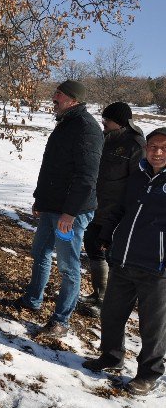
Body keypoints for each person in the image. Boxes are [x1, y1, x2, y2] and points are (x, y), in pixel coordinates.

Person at [11, 80, 103, 338]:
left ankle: (61, 321)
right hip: (53, 207)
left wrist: (70, 213)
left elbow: (87, 177)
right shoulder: (66, 124)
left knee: (67, 266)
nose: (54, 98)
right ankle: (33, 299)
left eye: (58, 95)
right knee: (40, 252)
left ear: (72, 99)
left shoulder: (87, 129)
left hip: (70, 213)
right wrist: (41, 200)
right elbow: (51, 168)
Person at [82, 127, 166, 396]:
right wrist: (106, 234)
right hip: (124, 259)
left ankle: (148, 374)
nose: (157, 152)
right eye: (152, 146)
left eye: (164, 147)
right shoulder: (138, 175)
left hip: (157, 268)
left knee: (153, 326)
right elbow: (121, 207)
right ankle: (111, 356)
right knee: (112, 314)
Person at [79, 102, 145, 317]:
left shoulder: (136, 146)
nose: (103, 122)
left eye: (107, 119)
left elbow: (139, 183)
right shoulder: (106, 139)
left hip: (117, 214)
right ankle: (99, 293)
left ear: (120, 121)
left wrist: (128, 214)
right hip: (96, 207)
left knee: (110, 256)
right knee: (92, 247)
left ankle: (107, 301)